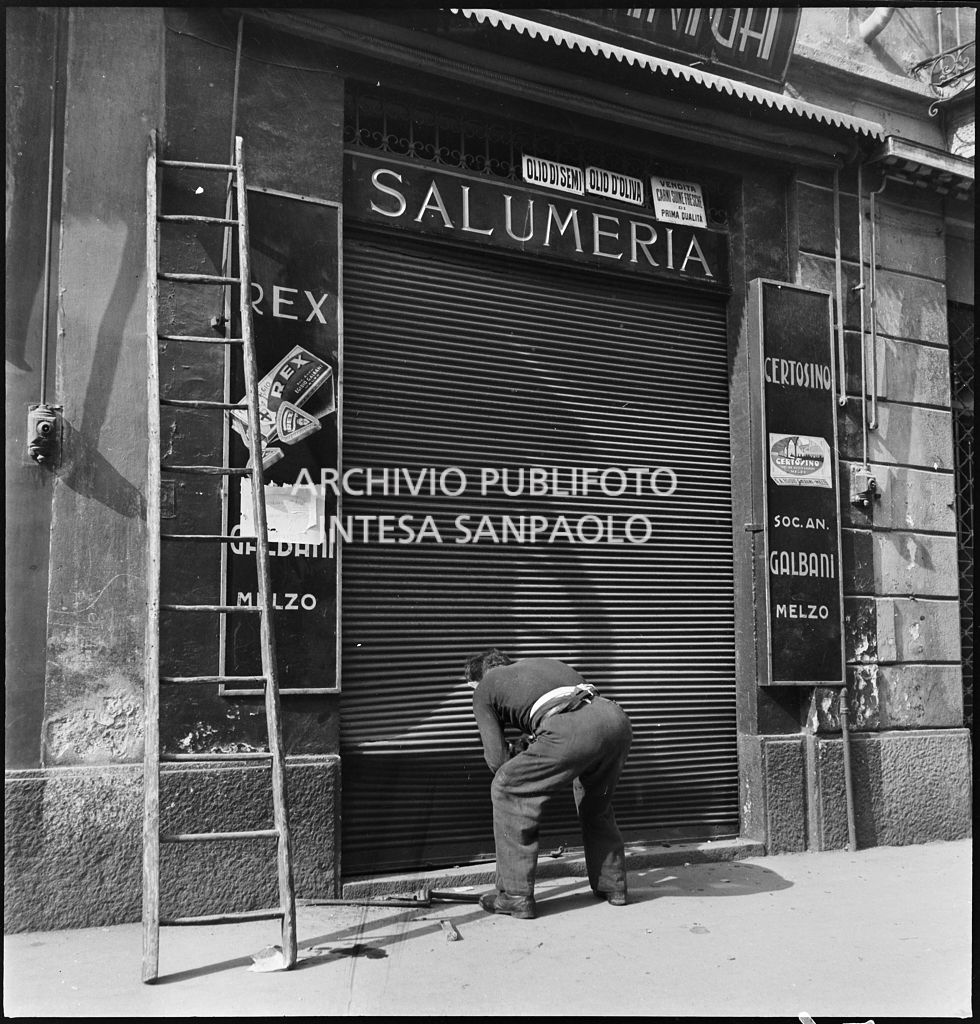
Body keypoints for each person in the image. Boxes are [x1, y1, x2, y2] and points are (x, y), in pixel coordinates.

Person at [464, 648, 632, 919]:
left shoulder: (485, 687)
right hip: (614, 720)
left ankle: (515, 896)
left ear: (478, 678)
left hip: (571, 729)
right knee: (594, 803)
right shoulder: (538, 665)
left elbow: (497, 761)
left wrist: (511, 759)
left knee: (507, 788)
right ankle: (613, 887)